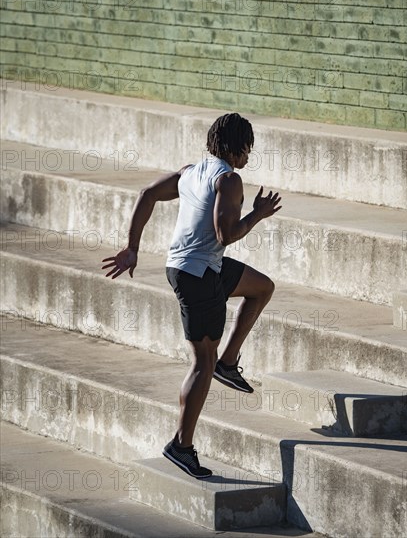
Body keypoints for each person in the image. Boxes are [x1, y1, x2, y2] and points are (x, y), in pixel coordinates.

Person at [102, 113, 281, 479]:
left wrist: (133, 247)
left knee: (262, 287)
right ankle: (181, 446)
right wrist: (257, 215)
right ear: (236, 146)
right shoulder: (229, 179)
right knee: (202, 364)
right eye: (249, 147)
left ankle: (228, 363)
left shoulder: (191, 171)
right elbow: (224, 235)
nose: (250, 154)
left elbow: (147, 194)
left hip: (198, 268)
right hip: (196, 276)